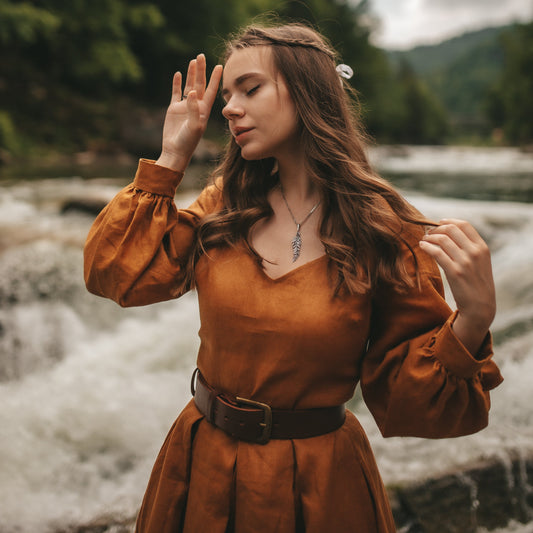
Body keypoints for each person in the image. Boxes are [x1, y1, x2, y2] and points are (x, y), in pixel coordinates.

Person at [84, 23, 503, 533]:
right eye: (228, 95)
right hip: (202, 468)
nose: (229, 108)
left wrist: (474, 320)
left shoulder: (385, 230)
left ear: (307, 91)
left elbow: (408, 401)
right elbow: (115, 275)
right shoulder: (226, 204)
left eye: (250, 89)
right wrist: (171, 158)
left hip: (321, 485)